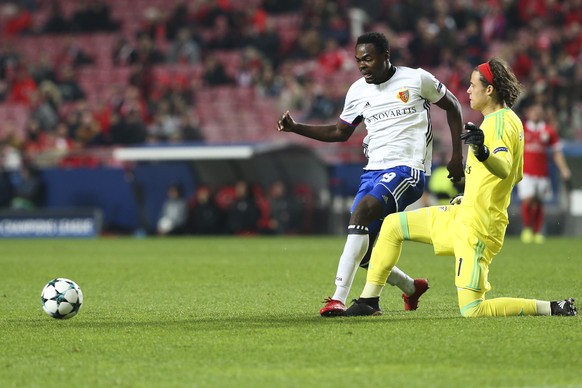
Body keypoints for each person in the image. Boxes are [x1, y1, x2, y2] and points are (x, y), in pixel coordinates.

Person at [344, 58, 577, 318]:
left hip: (479, 228)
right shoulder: (505, 120)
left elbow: (503, 167)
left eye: (472, 85)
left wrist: (483, 151)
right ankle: (369, 301)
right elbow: (516, 176)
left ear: (489, 90)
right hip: (463, 214)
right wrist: (471, 194)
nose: (467, 90)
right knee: (392, 226)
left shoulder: (499, 123)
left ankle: (553, 307)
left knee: (473, 309)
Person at [277, 32, 465, 317]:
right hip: (372, 171)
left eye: (368, 58)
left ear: (385, 56)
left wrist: (456, 156)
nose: (362, 64)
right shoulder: (357, 91)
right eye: (358, 60)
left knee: (362, 212)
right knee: (364, 250)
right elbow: (340, 132)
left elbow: (453, 105)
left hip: (407, 169)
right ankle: (412, 287)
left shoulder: (416, 79)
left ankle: (337, 298)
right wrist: (296, 128)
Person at [517, 103, 571, 244]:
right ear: (528, 113)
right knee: (528, 199)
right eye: (533, 110)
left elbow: (556, 153)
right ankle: (527, 229)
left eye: (538, 111)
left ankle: (537, 231)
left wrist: (564, 169)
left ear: (542, 114)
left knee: (539, 202)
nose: (535, 113)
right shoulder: (521, 129)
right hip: (525, 172)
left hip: (542, 173)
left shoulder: (549, 131)